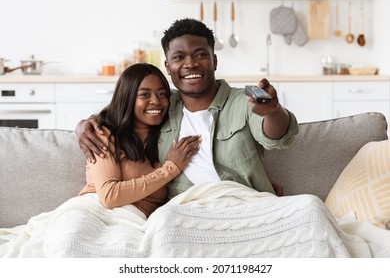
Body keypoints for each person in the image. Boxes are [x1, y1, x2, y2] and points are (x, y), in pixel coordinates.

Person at [75, 18, 298, 200]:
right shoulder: (163, 105)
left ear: (215, 60)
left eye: (200, 54)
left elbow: (278, 137)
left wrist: (272, 111)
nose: (190, 64)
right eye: (179, 57)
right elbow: (123, 111)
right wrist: (84, 125)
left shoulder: (243, 100)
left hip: (244, 202)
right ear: (168, 67)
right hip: (185, 207)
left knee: (310, 206)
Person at [78, 62, 201, 218]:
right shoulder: (103, 134)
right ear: (127, 97)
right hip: (95, 213)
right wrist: (169, 169)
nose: (156, 101)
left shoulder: (167, 135)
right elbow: (109, 196)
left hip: (138, 222)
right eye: (145, 94)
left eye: (162, 94)